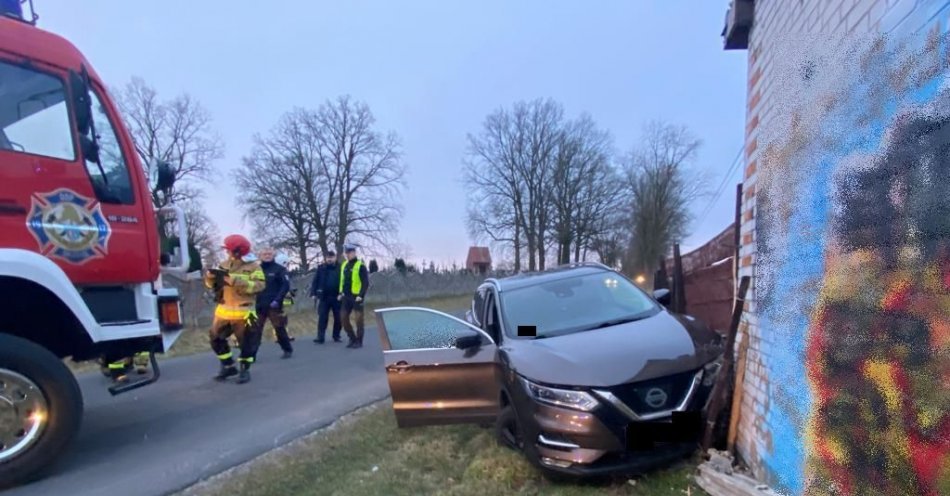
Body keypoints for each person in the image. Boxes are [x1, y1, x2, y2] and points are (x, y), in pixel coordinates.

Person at [204, 234, 266, 384]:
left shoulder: (254, 266)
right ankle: (228, 366)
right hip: (223, 312)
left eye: (229, 250)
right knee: (215, 339)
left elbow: (259, 286)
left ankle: (245, 370)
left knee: (247, 344)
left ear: (238, 251)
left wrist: (236, 281)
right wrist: (210, 278)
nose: (227, 252)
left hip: (244, 313)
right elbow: (212, 286)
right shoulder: (224, 264)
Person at [256, 247, 294, 359]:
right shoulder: (256, 269)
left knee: (279, 328)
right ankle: (250, 354)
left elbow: (285, 285)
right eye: (264, 254)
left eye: (269, 254)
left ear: (273, 255)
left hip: (274, 304)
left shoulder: (280, 269)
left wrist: (278, 300)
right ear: (260, 256)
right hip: (259, 304)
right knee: (255, 330)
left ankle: (287, 349)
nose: (267, 256)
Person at [338, 244, 369, 348]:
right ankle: (352, 338)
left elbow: (365, 282)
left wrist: (361, 295)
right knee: (343, 318)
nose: (348, 255)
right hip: (346, 296)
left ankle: (359, 341)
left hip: (356, 297)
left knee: (358, 320)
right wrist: (340, 293)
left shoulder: (360, 266)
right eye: (346, 253)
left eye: (350, 253)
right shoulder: (344, 265)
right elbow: (342, 281)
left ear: (354, 253)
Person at [310, 251, 342, 343]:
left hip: (337, 297)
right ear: (325, 258)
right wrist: (313, 293)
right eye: (328, 257)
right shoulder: (321, 268)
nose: (329, 259)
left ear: (335, 257)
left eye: (331, 257)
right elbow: (315, 281)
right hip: (324, 297)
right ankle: (320, 337)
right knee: (322, 317)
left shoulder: (340, 268)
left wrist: (343, 293)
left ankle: (336, 336)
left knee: (338, 317)